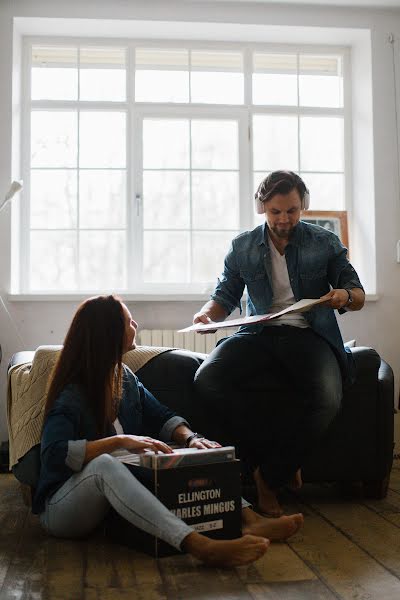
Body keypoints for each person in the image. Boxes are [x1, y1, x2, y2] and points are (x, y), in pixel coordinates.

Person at [32, 295, 304, 568]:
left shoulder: (123, 377)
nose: (135, 324)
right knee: (105, 464)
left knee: (190, 451)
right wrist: (120, 441)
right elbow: (54, 453)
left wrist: (192, 439)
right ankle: (201, 546)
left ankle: (250, 520)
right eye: (128, 320)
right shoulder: (71, 395)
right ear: (109, 333)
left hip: (109, 503)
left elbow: (161, 415)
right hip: (61, 510)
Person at [193, 170, 365, 517]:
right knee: (207, 379)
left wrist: (343, 295)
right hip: (257, 333)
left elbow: (357, 294)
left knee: (328, 397)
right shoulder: (242, 246)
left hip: (308, 333)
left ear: (303, 206)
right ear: (262, 208)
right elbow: (225, 294)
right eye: (275, 212)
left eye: (292, 210)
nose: (284, 219)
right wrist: (207, 316)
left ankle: (269, 479)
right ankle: (281, 462)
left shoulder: (324, 242)